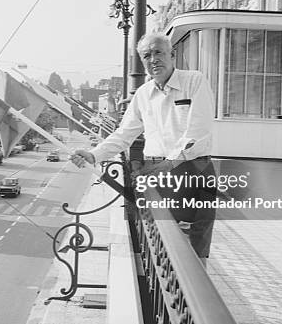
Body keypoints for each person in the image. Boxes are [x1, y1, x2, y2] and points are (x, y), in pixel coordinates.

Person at [70, 32, 216, 264]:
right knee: (160, 241)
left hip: (193, 168)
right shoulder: (143, 94)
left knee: (196, 247)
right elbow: (123, 134)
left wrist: (169, 164)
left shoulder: (194, 81)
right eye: (147, 55)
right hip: (156, 171)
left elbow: (198, 132)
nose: (153, 59)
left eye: (158, 52)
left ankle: (195, 295)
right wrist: (93, 154)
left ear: (173, 55)